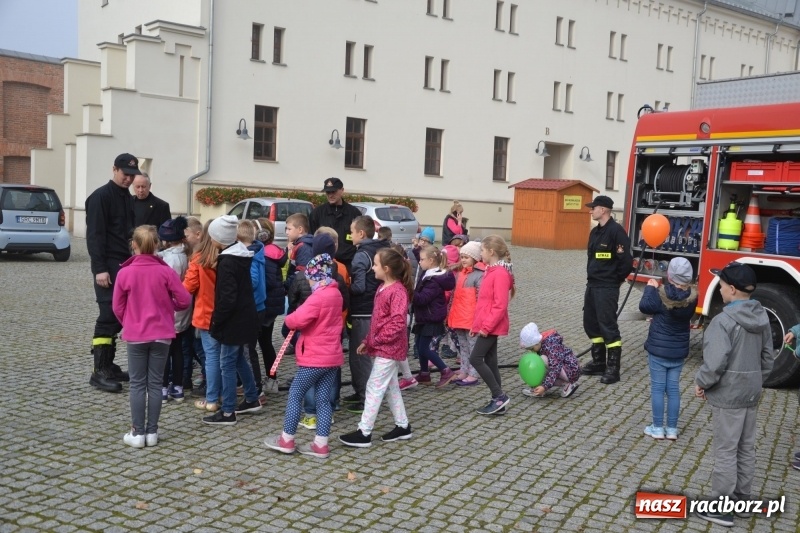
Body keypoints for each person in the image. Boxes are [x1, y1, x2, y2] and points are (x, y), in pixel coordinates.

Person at [694, 262, 772, 528]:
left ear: (733, 289)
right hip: (751, 392)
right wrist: (753, 380)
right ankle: (742, 500)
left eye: (723, 284)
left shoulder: (722, 321)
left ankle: (721, 507)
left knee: (726, 450)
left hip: (728, 395)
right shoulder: (762, 317)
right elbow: (768, 359)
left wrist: (702, 383)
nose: (721, 288)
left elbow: (715, 363)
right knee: (746, 447)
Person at [112, 225, 191, 448]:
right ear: (157, 244)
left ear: (134, 245)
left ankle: (137, 432)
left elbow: (117, 306)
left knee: (137, 384)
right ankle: (152, 432)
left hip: (136, 334)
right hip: (162, 333)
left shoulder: (125, 272)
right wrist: (168, 308)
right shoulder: (165, 271)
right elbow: (184, 300)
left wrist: (129, 322)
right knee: (155, 384)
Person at [264, 253, 344, 459]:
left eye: (309, 277)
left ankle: (287, 439)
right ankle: (321, 444)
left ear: (316, 276)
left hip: (314, 357)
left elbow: (295, 320)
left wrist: (293, 316)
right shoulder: (336, 294)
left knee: (295, 394)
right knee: (324, 400)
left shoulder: (318, 297)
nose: (308, 281)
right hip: (332, 358)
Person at [340, 248, 415, 447]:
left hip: (389, 349)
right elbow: (378, 320)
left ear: (387, 269)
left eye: (375, 264)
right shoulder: (383, 288)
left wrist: (376, 340)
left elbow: (398, 322)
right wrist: (367, 340)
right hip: (381, 346)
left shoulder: (397, 291)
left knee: (374, 387)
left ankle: (364, 432)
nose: (372, 268)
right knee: (390, 388)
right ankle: (403, 426)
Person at [86, 153, 139, 393]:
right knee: (108, 314)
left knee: (120, 314)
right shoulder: (100, 197)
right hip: (107, 265)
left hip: (124, 264)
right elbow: (95, 237)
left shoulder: (126, 198)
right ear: (114, 170)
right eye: (125, 174)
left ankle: (109, 364)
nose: (128, 179)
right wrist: (100, 269)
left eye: (131, 175)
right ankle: (100, 371)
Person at [203, 215, 263, 426]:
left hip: (233, 321)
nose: (211, 241)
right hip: (244, 317)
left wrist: (216, 321)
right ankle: (251, 397)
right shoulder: (240, 256)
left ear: (219, 239)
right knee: (237, 359)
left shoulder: (228, 262)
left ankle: (228, 411)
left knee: (226, 363)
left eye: (212, 237)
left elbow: (227, 299)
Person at [638, 257, 697, 440]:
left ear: (669, 275)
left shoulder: (660, 294)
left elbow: (644, 306)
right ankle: (671, 428)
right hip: (677, 351)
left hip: (658, 350)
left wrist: (649, 287)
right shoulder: (692, 298)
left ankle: (657, 427)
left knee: (657, 388)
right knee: (673, 389)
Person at [299, 232, 350, 430]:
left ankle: (311, 413)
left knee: (310, 372)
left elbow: (296, 301)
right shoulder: (338, 274)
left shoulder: (306, 274)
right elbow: (345, 301)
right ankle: (331, 406)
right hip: (334, 331)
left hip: (311, 334)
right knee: (332, 370)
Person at [580, 195, 633, 385]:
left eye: (593, 208)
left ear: (603, 210)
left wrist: (616, 280)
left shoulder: (616, 232)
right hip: (592, 285)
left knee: (608, 326)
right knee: (591, 324)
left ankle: (613, 368)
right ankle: (598, 362)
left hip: (607, 287)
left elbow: (626, 262)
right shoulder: (595, 232)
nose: (590, 210)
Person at [343, 215, 391, 413]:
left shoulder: (361, 255)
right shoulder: (379, 249)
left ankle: (366, 398)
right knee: (361, 355)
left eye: (352, 232)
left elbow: (359, 287)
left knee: (360, 356)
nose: (350, 236)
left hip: (363, 310)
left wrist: (344, 286)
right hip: (375, 307)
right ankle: (359, 391)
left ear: (361, 233)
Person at [470, 235, 514, 415]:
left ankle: (499, 396)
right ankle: (498, 401)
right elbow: (483, 303)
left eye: (482, 250)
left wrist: (486, 327)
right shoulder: (490, 270)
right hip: (486, 324)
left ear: (491, 251)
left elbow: (499, 305)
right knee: (490, 361)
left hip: (492, 326)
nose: (480, 253)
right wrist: (476, 326)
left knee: (475, 359)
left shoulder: (500, 274)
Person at [184, 221, 222, 412]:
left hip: (206, 313)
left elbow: (188, 287)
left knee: (212, 356)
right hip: (227, 313)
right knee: (230, 356)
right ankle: (245, 393)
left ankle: (212, 398)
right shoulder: (226, 256)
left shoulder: (199, 258)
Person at [157, 216, 192, 404]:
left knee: (164, 350)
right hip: (183, 308)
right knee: (178, 349)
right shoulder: (185, 255)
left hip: (171, 308)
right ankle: (177, 386)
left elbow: (166, 284)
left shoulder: (171, 260)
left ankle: (162, 388)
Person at [412, 245, 457, 387]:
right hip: (424, 316)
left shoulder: (434, 279)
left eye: (422, 259)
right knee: (419, 346)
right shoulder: (429, 272)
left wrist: (409, 292)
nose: (419, 262)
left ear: (431, 261)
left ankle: (446, 370)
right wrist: (417, 247)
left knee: (425, 348)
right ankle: (424, 373)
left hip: (431, 317)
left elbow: (422, 299)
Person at [447, 241, 484, 386]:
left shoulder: (479, 275)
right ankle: (464, 369)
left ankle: (473, 374)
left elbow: (480, 298)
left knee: (473, 347)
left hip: (470, 319)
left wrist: (478, 318)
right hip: (459, 317)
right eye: (461, 257)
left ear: (475, 258)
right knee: (462, 346)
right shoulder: (460, 274)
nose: (463, 260)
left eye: (466, 257)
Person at [256, 218, 287, 391]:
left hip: (265, 304)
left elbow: (265, 282)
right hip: (272, 303)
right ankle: (271, 377)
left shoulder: (265, 255)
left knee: (263, 343)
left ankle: (270, 378)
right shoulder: (272, 252)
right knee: (265, 342)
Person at [239, 221, 267, 404]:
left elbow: (254, 281)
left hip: (254, 309)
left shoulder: (251, 257)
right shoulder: (256, 252)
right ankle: (250, 383)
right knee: (248, 349)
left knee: (249, 350)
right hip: (256, 308)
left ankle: (257, 388)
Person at [308, 177, 362, 270]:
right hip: (324, 265)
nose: (330, 195)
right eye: (328, 192)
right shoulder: (317, 213)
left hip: (348, 264)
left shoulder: (354, 213)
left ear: (342, 190)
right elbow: (311, 238)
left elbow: (361, 239)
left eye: (333, 191)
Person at [282, 213, 315, 354]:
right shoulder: (300, 245)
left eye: (289, 229)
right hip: (297, 295)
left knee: (288, 329)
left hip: (299, 297)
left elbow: (299, 274)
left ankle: (306, 351)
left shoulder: (304, 248)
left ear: (300, 229)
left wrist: (286, 286)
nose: (286, 232)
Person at [519, 323, 580, 399]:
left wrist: (545, 386)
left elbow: (555, 367)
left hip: (571, 370)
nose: (531, 352)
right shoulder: (541, 345)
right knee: (542, 363)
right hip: (565, 370)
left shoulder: (551, 346)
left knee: (543, 360)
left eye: (531, 349)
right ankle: (564, 384)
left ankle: (567, 384)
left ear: (537, 343)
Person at [181, 216, 205, 391]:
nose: (184, 238)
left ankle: (209, 380)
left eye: (186, 234)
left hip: (200, 310)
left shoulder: (199, 256)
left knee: (201, 348)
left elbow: (189, 286)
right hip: (194, 309)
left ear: (198, 234)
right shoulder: (192, 253)